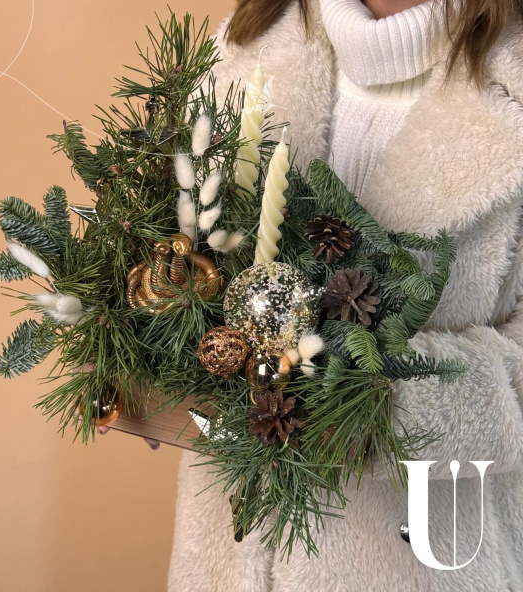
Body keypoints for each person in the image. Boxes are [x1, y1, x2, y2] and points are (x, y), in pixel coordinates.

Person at [168, 1, 523, 590]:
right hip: (225, 562)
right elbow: (179, 263)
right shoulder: (238, 52)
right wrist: (143, 341)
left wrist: (379, 403)